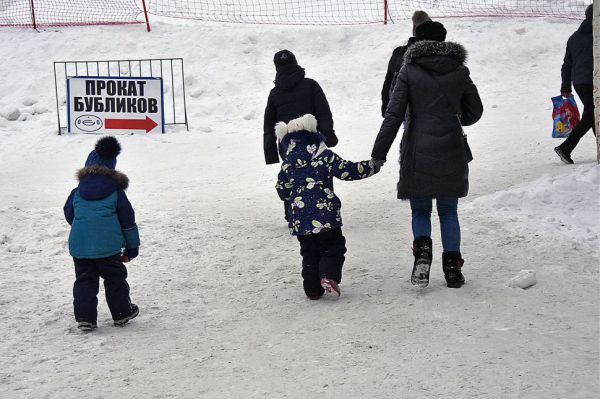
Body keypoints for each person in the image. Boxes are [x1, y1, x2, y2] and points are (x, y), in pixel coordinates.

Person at [371, 21, 483, 289]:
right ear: (444, 41)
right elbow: (475, 111)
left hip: (417, 149)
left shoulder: (408, 71)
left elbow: (393, 115)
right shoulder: (459, 70)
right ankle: (453, 270)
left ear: (417, 42)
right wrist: (454, 119)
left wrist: (378, 154)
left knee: (420, 208)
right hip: (451, 148)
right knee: (448, 210)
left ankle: (422, 258)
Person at [275, 114, 380, 299]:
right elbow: (348, 170)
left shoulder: (287, 163)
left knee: (309, 252)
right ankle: (328, 276)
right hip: (325, 213)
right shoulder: (324, 156)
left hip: (300, 218)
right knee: (334, 245)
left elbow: (282, 189)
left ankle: (312, 289)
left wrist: (292, 196)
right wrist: (372, 166)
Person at [64, 136, 140, 331]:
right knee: (115, 279)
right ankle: (122, 313)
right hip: (108, 246)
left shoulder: (77, 191)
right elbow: (127, 220)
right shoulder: (116, 191)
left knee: (84, 281)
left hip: (80, 246)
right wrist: (132, 248)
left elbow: (69, 213)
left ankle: (85, 318)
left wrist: (84, 227)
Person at [555, 4, 595, 164]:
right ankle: (565, 148)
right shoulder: (597, 33)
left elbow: (567, 64)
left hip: (579, 82)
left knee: (592, 115)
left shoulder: (574, 37)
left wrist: (565, 86)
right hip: (594, 80)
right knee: (591, 115)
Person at [381, 10, 431, 117]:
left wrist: (386, 107)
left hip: (406, 112)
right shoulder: (441, 55)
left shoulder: (399, 53)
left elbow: (388, 82)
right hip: (437, 114)